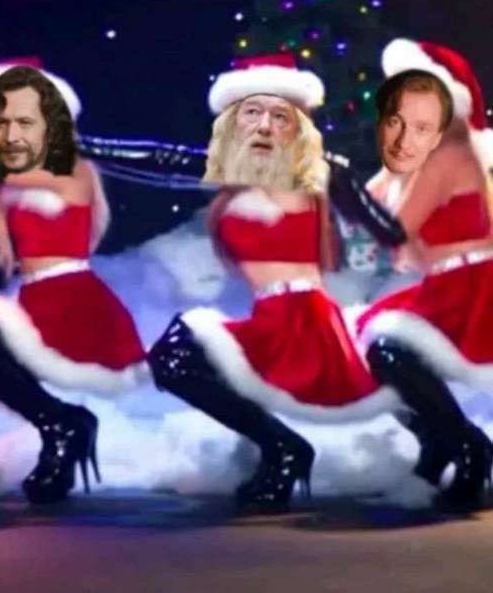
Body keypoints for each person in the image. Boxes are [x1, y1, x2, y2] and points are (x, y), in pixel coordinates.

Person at [147, 53, 397, 512]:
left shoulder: (309, 172)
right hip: (268, 320)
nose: (264, 125)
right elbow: (161, 162)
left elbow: (392, 231)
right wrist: (71, 146)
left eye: (279, 115)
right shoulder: (237, 179)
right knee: (172, 359)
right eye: (252, 112)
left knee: (177, 353)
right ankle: (282, 447)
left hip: (303, 324)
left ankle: (285, 450)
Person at [0, 62, 147, 505]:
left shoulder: (70, 166)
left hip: (71, 300)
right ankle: (61, 425)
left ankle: (62, 425)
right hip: (36, 297)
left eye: (23, 119)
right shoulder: (16, 180)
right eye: (1, 121)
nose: (11, 132)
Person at [327, 38, 493, 510]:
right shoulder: (416, 156)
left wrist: (345, 191)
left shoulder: (449, 151)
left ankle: (467, 447)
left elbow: (395, 229)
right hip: (445, 285)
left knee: (389, 353)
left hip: (475, 288)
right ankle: (441, 441)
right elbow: (369, 209)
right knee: (360, 348)